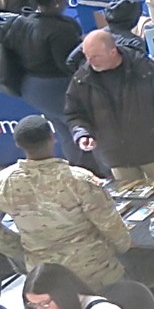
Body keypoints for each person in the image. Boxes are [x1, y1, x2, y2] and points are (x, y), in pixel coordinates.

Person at [0, 116, 130, 289]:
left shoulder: (4, 182)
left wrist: (19, 249)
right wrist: (125, 246)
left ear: (18, 144)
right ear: (52, 138)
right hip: (96, 271)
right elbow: (109, 224)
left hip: (44, 274)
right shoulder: (78, 179)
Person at [66, 29, 154, 182]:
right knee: (134, 203)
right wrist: (82, 133)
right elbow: (74, 113)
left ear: (112, 51)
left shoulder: (143, 69)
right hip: (117, 157)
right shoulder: (82, 79)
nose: (90, 61)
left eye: (96, 56)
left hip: (152, 151)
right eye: (87, 56)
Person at [4, 0, 83, 151]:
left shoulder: (23, 21)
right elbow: (68, 66)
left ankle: (79, 171)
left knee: (65, 133)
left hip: (31, 88)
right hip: (56, 89)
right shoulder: (62, 30)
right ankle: (95, 174)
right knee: (83, 131)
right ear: (56, 1)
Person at [67, 0, 148, 71]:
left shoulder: (93, 37)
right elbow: (141, 70)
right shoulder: (134, 42)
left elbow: (71, 61)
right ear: (135, 18)